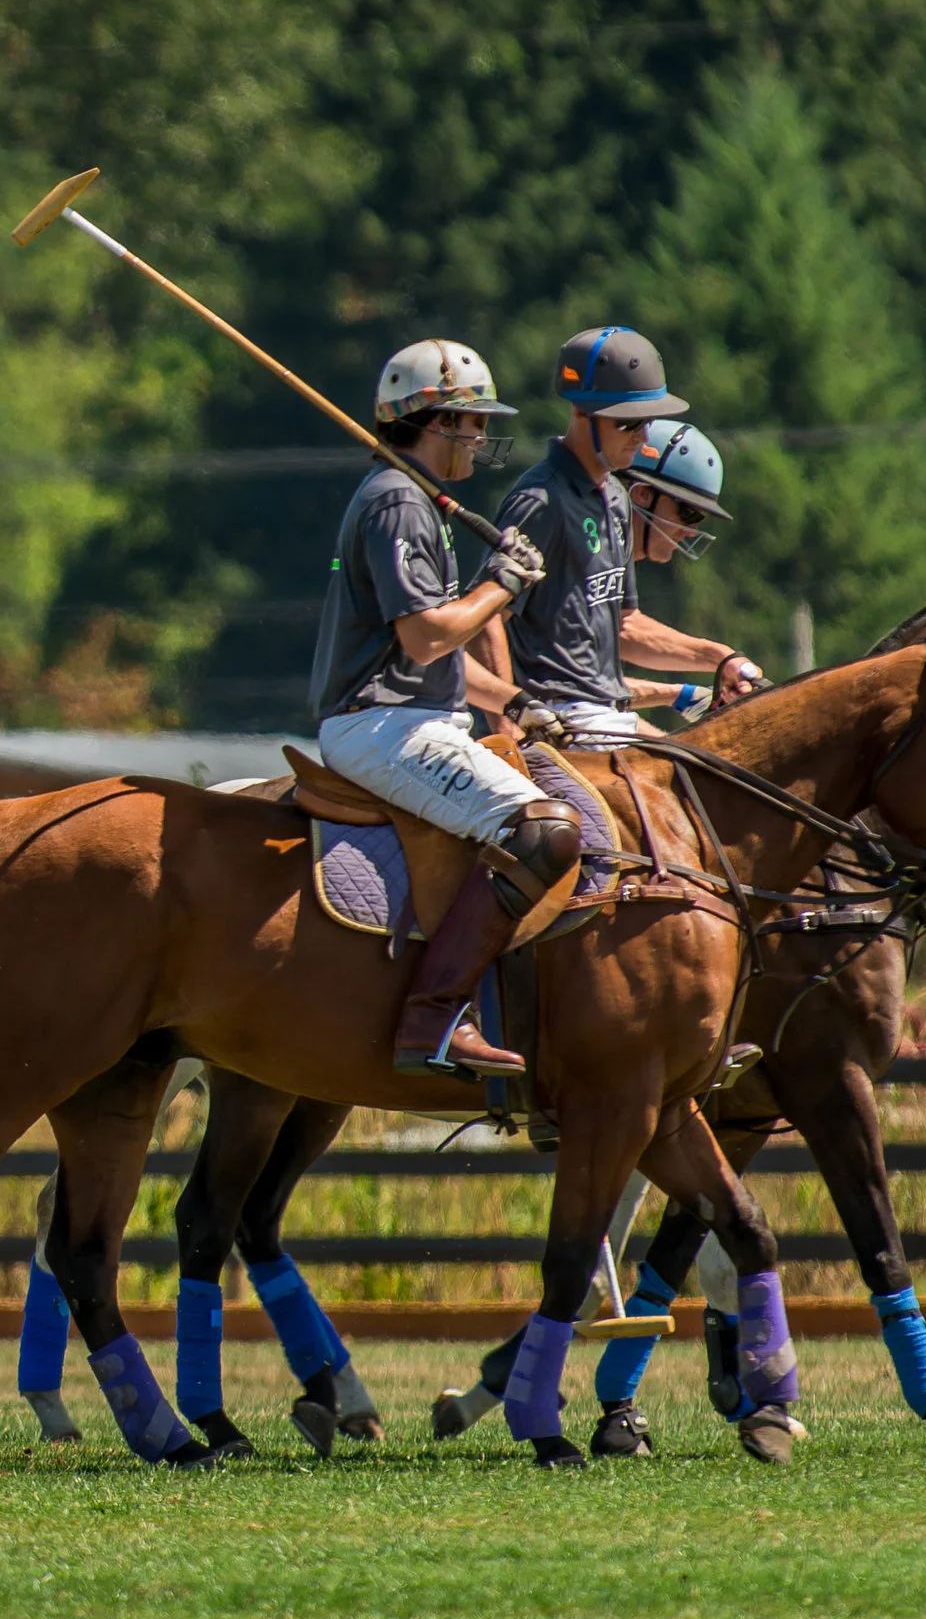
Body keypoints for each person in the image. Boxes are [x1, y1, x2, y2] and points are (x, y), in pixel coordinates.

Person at [305, 339, 584, 1080]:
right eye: (473, 422)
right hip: (380, 726)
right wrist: (502, 584)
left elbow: (435, 657)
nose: (481, 437)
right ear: (438, 423)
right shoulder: (398, 502)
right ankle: (435, 1017)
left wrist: (515, 699)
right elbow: (427, 637)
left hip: (408, 717)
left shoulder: (412, 499)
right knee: (544, 832)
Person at [481, 329, 761, 751]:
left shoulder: (614, 496)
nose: (642, 436)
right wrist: (508, 729)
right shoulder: (540, 500)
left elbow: (625, 625)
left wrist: (719, 657)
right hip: (557, 719)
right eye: (629, 422)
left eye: (646, 422)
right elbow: (486, 618)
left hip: (609, 716)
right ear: (583, 413)